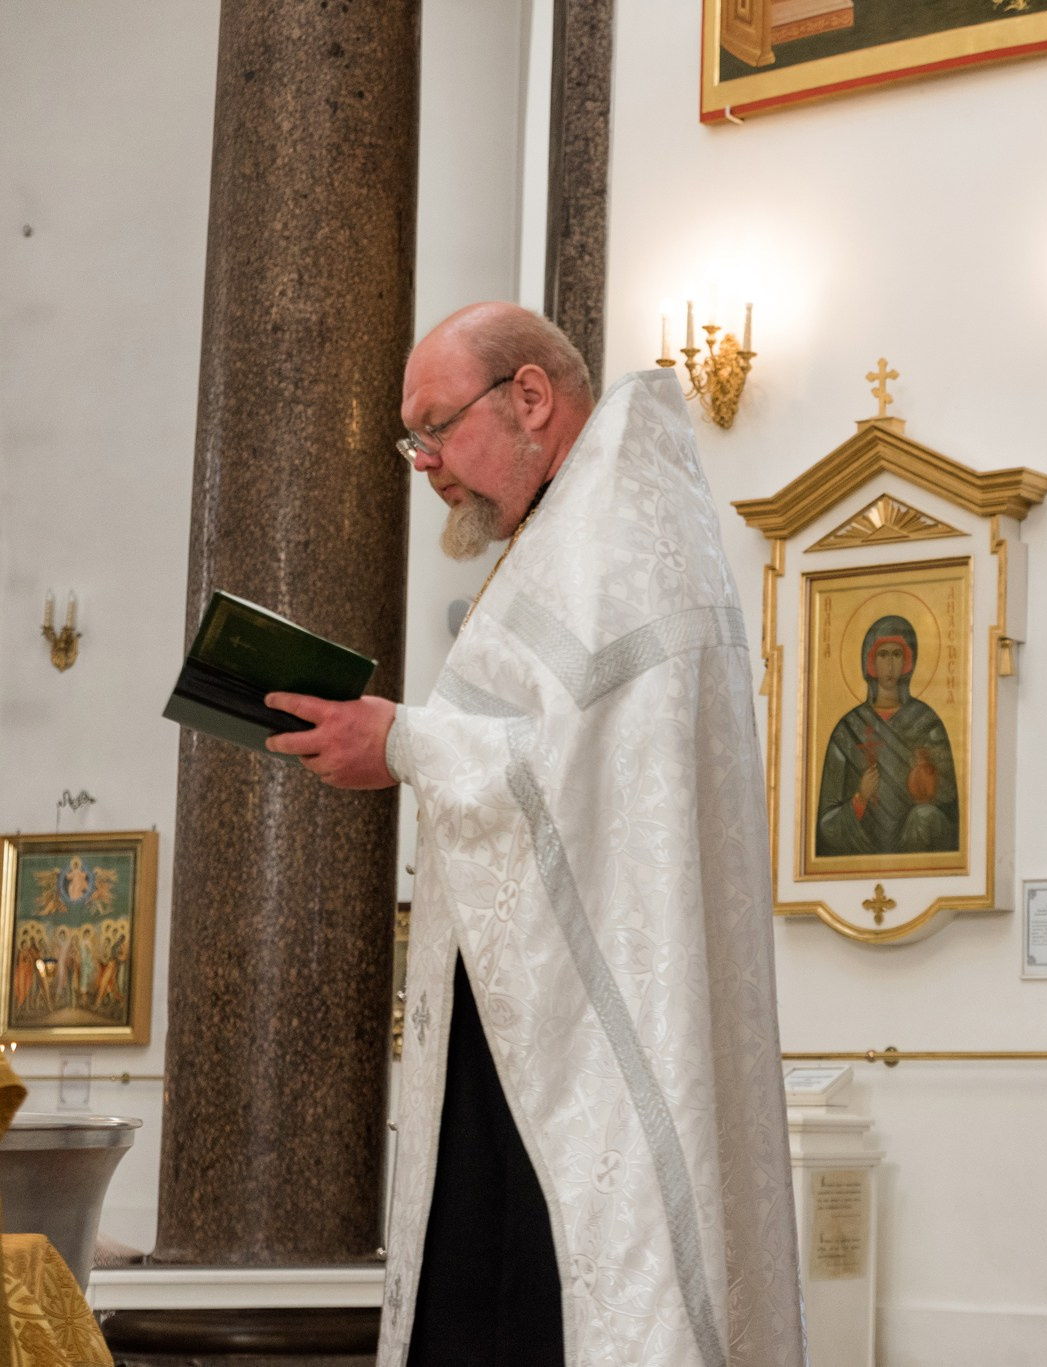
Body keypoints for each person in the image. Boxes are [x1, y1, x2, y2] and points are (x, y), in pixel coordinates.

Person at [262, 302, 803, 1367]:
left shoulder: (613, 541)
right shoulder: (581, 531)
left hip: (584, 1034)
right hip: (526, 1004)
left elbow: (583, 772)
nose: (424, 464)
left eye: (434, 427)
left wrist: (406, 742)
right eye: (411, 441)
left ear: (529, 396)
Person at [813, 615, 959, 857]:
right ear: (869, 662)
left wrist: (928, 780)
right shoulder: (847, 729)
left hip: (915, 846)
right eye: (882, 655)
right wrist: (859, 799)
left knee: (925, 816)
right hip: (860, 849)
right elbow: (826, 827)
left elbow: (949, 812)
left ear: (908, 661)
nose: (890, 666)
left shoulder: (927, 723)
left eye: (897, 654)